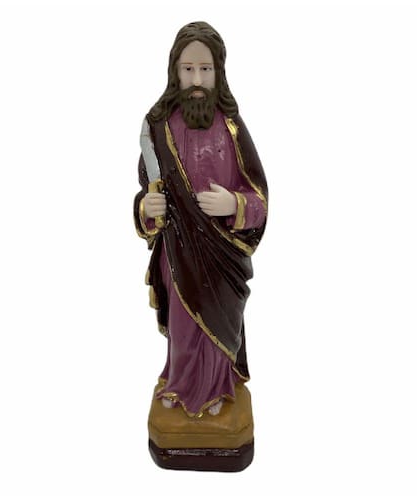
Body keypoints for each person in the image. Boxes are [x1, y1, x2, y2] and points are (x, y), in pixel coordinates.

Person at [134, 21, 268, 418]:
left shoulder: (232, 128)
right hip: (177, 250)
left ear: (218, 72)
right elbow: (147, 191)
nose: (196, 79)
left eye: (205, 69)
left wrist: (233, 204)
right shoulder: (160, 129)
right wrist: (147, 209)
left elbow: (259, 200)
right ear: (175, 71)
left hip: (220, 254)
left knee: (216, 327)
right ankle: (179, 383)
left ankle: (217, 388)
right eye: (188, 69)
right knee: (183, 323)